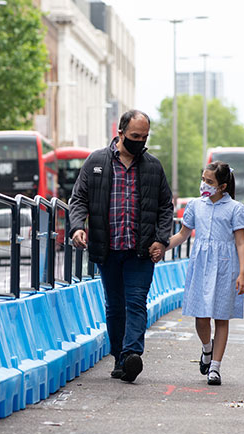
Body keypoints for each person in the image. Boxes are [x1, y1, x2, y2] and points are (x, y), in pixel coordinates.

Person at [69, 109, 173, 383]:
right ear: (121, 132)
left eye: (145, 136)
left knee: (136, 301)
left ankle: (131, 355)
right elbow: (78, 198)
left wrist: (161, 240)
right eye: (135, 136)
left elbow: (165, 207)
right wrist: (78, 226)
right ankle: (119, 357)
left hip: (140, 251)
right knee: (115, 305)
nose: (140, 141)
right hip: (108, 249)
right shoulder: (96, 162)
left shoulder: (152, 166)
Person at [165, 161, 244, 386]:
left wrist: (242, 273)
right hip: (201, 265)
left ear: (222, 186)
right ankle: (207, 348)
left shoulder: (236, 209)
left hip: (225, 267)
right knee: (201, 316)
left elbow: (240, 243)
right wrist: (162, 247)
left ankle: (215, 368)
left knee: (222, 317)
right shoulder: (195, 205)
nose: (204, 184)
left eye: (209, 181)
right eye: (203, 179)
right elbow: (182, 234)